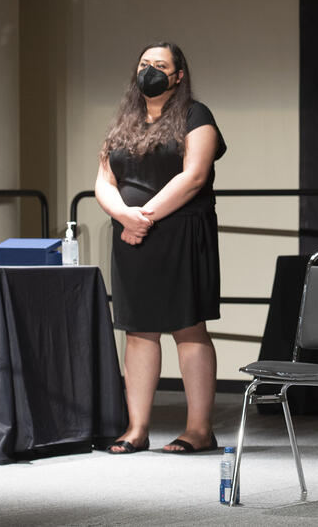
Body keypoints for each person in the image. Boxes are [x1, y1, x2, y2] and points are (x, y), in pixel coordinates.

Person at [94, 42, 226, 455]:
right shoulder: (125, 122)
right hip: (133, 235)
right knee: (138, 331)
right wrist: (123, 216)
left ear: (178, 76)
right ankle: (137, 428)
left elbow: (195, 175)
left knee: (188, 328)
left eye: (160, 65)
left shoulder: (194, 114)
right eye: (144, 64)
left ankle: (199, 430)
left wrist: (142, 217)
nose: (149, 70)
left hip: (181, 231)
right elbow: (103, 180)